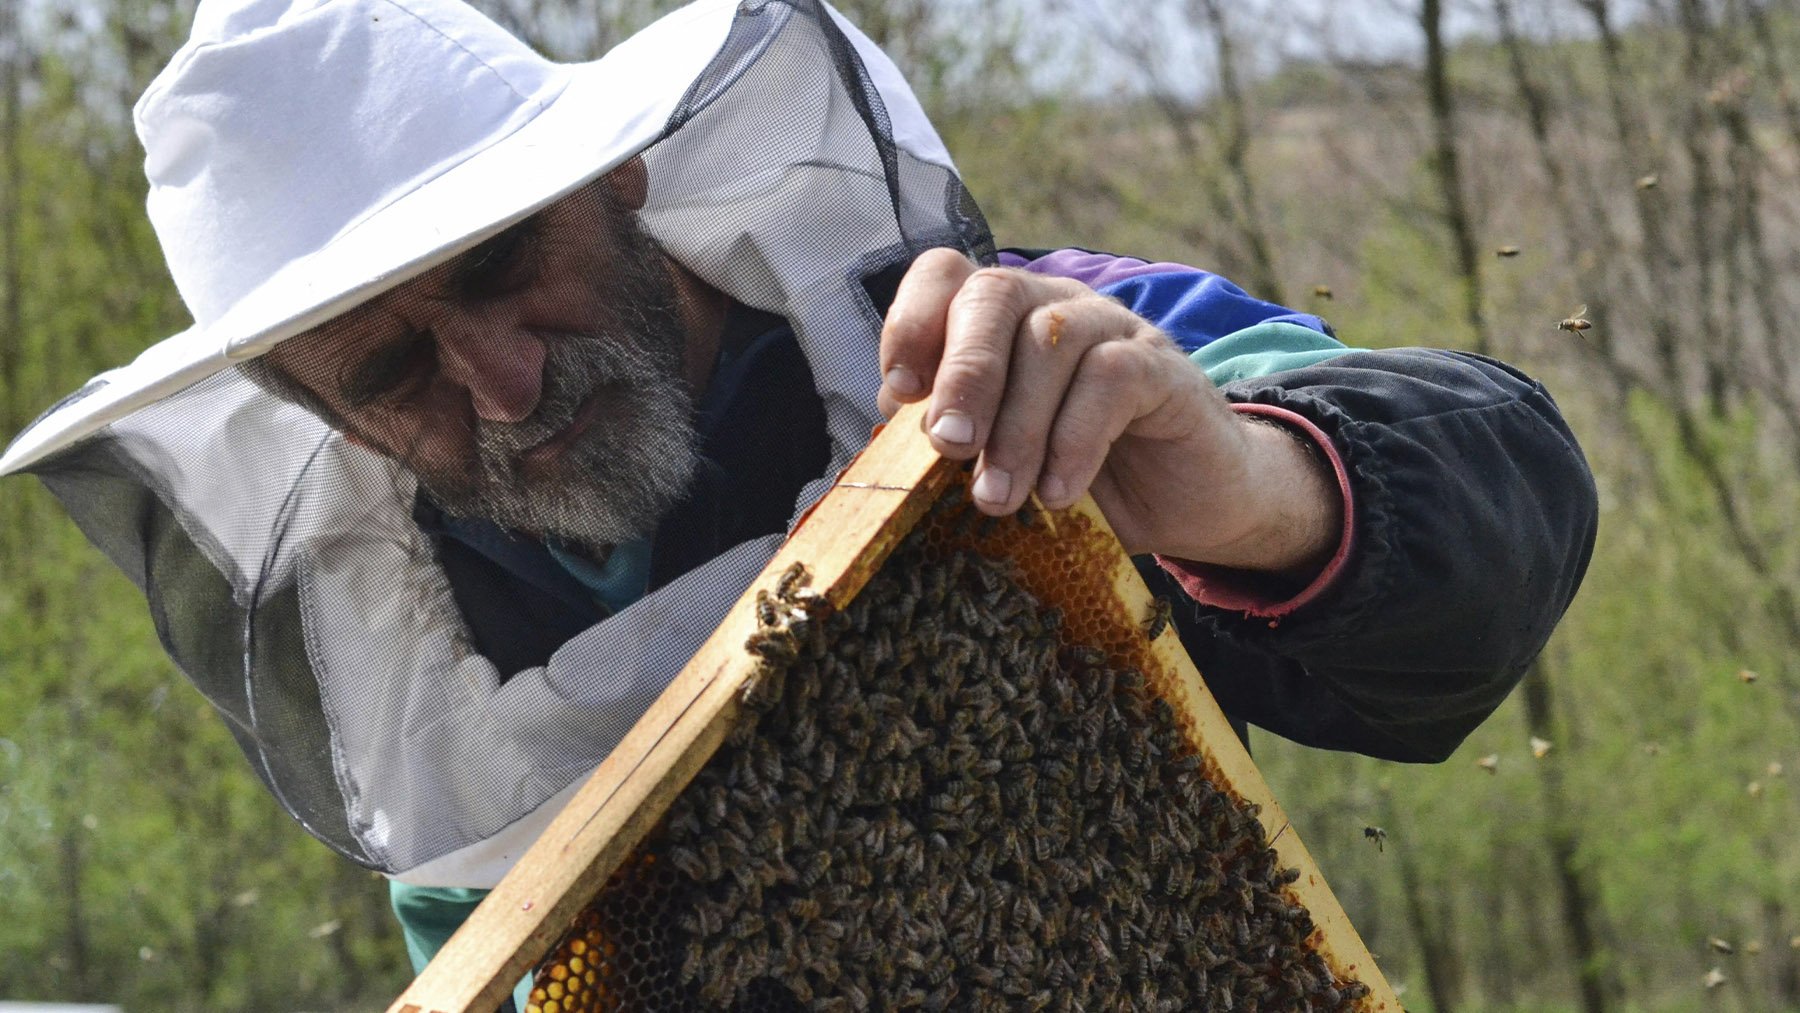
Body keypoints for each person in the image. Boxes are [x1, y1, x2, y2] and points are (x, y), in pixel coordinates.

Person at [0, 0, 1598, 999]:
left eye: (501, 268)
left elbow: (1498, 493)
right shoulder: (429, 725)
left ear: (615, 172)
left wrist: (1255, 486)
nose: (497, 384)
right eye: (392, 373)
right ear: (311, 409)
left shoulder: (1000, 339)